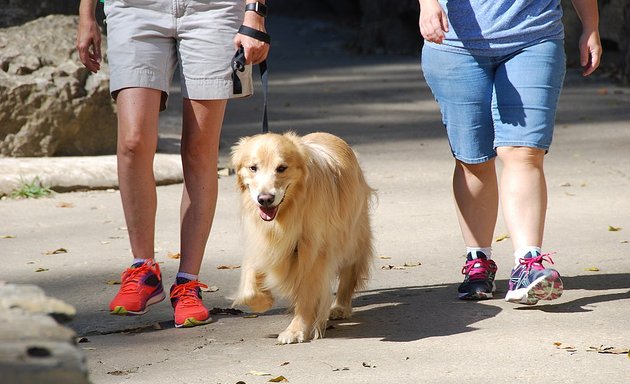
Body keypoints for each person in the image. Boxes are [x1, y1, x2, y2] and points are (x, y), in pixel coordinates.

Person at [76, 0, 269, 327]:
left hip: (214, 10)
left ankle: (188, 282)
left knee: (199, 148)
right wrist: (86, 15)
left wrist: (254, 11)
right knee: (133, 142)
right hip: (136, 9)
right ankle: (143, 270)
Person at [418, 0, 601, 304]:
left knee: (524, 152)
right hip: (454, 43)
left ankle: (528, 263)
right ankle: (478, 261)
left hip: (533, 37)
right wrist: (427, 4)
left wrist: (591, 26)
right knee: (472, 159)